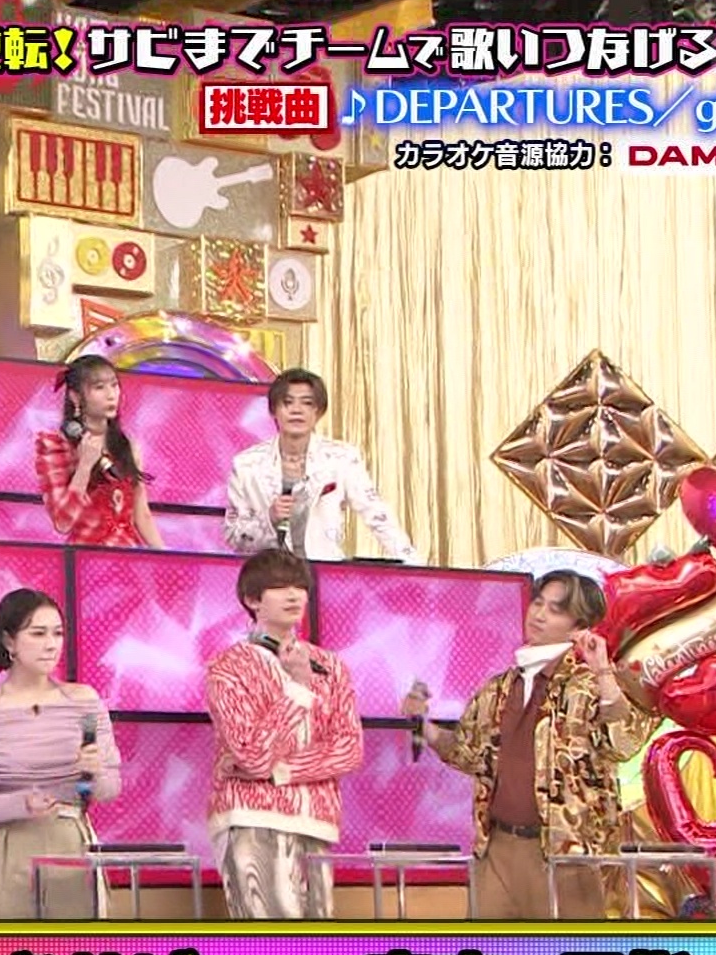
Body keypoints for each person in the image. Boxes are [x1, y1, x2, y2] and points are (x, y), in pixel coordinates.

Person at [405, 569, 657, 920]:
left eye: (556, 610)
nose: (539, 614)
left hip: (565, 855)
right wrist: (425, 727)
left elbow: (624, 742)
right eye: (538, 603)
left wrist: (603, 672)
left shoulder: (587, 687)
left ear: (579, 627)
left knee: (567, 952)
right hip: (498, 848)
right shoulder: (499, 688)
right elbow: (470, 753)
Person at [203, 549, 362, 919]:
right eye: (279, 587)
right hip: (252, 817)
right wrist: (297, 689)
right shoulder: (229, 667)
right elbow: (252, 755)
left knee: (318, 941)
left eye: (299, 587)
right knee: (275, 941)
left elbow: (349, 748)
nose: (293, 595)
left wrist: (282, 771)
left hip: (317, 820)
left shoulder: (330, 665)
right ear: (252, 599)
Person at [0, 589, 120, 919]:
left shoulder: (84, 702)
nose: (51, 644)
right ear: (9, 641)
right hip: (4, 853)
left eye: (57, 633)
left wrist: (95, 772)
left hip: (70, 847)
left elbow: (107, 790)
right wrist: (23, 804)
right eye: (38, 633)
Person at [221, 368, 417, 563]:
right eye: (288, 402)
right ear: (273, 410)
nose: (297, 410)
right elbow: (234, 537)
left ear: (319, 411)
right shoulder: (247, 465)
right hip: (268, 573)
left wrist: (413, 565)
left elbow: (375, 513)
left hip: (324, 570)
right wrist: (269, 518)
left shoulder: (341, 458)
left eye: (307, 403)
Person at [35, 354, 165, 549]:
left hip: (128, 556)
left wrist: (166, 556)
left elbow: (142, 515)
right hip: (87, 558)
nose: (111, 395)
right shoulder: (56, 447)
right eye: (99, 387)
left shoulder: (127, 446)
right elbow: (63, 523)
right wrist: (84, 466)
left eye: (114, 385)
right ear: (75, 396)